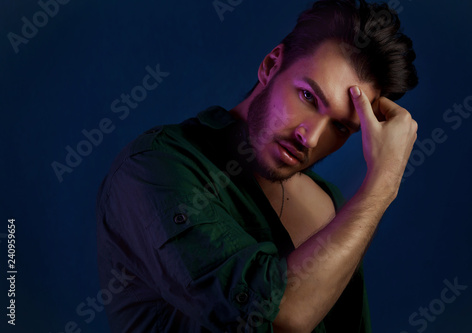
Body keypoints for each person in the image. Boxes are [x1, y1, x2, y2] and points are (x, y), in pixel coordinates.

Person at [96, 0, 418, 332]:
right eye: (308, 97)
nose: (309, 138)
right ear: (270, 65)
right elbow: (278, 316)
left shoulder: (334, 204)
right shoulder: (154, 167)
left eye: (340, 127)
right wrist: (383, 182)